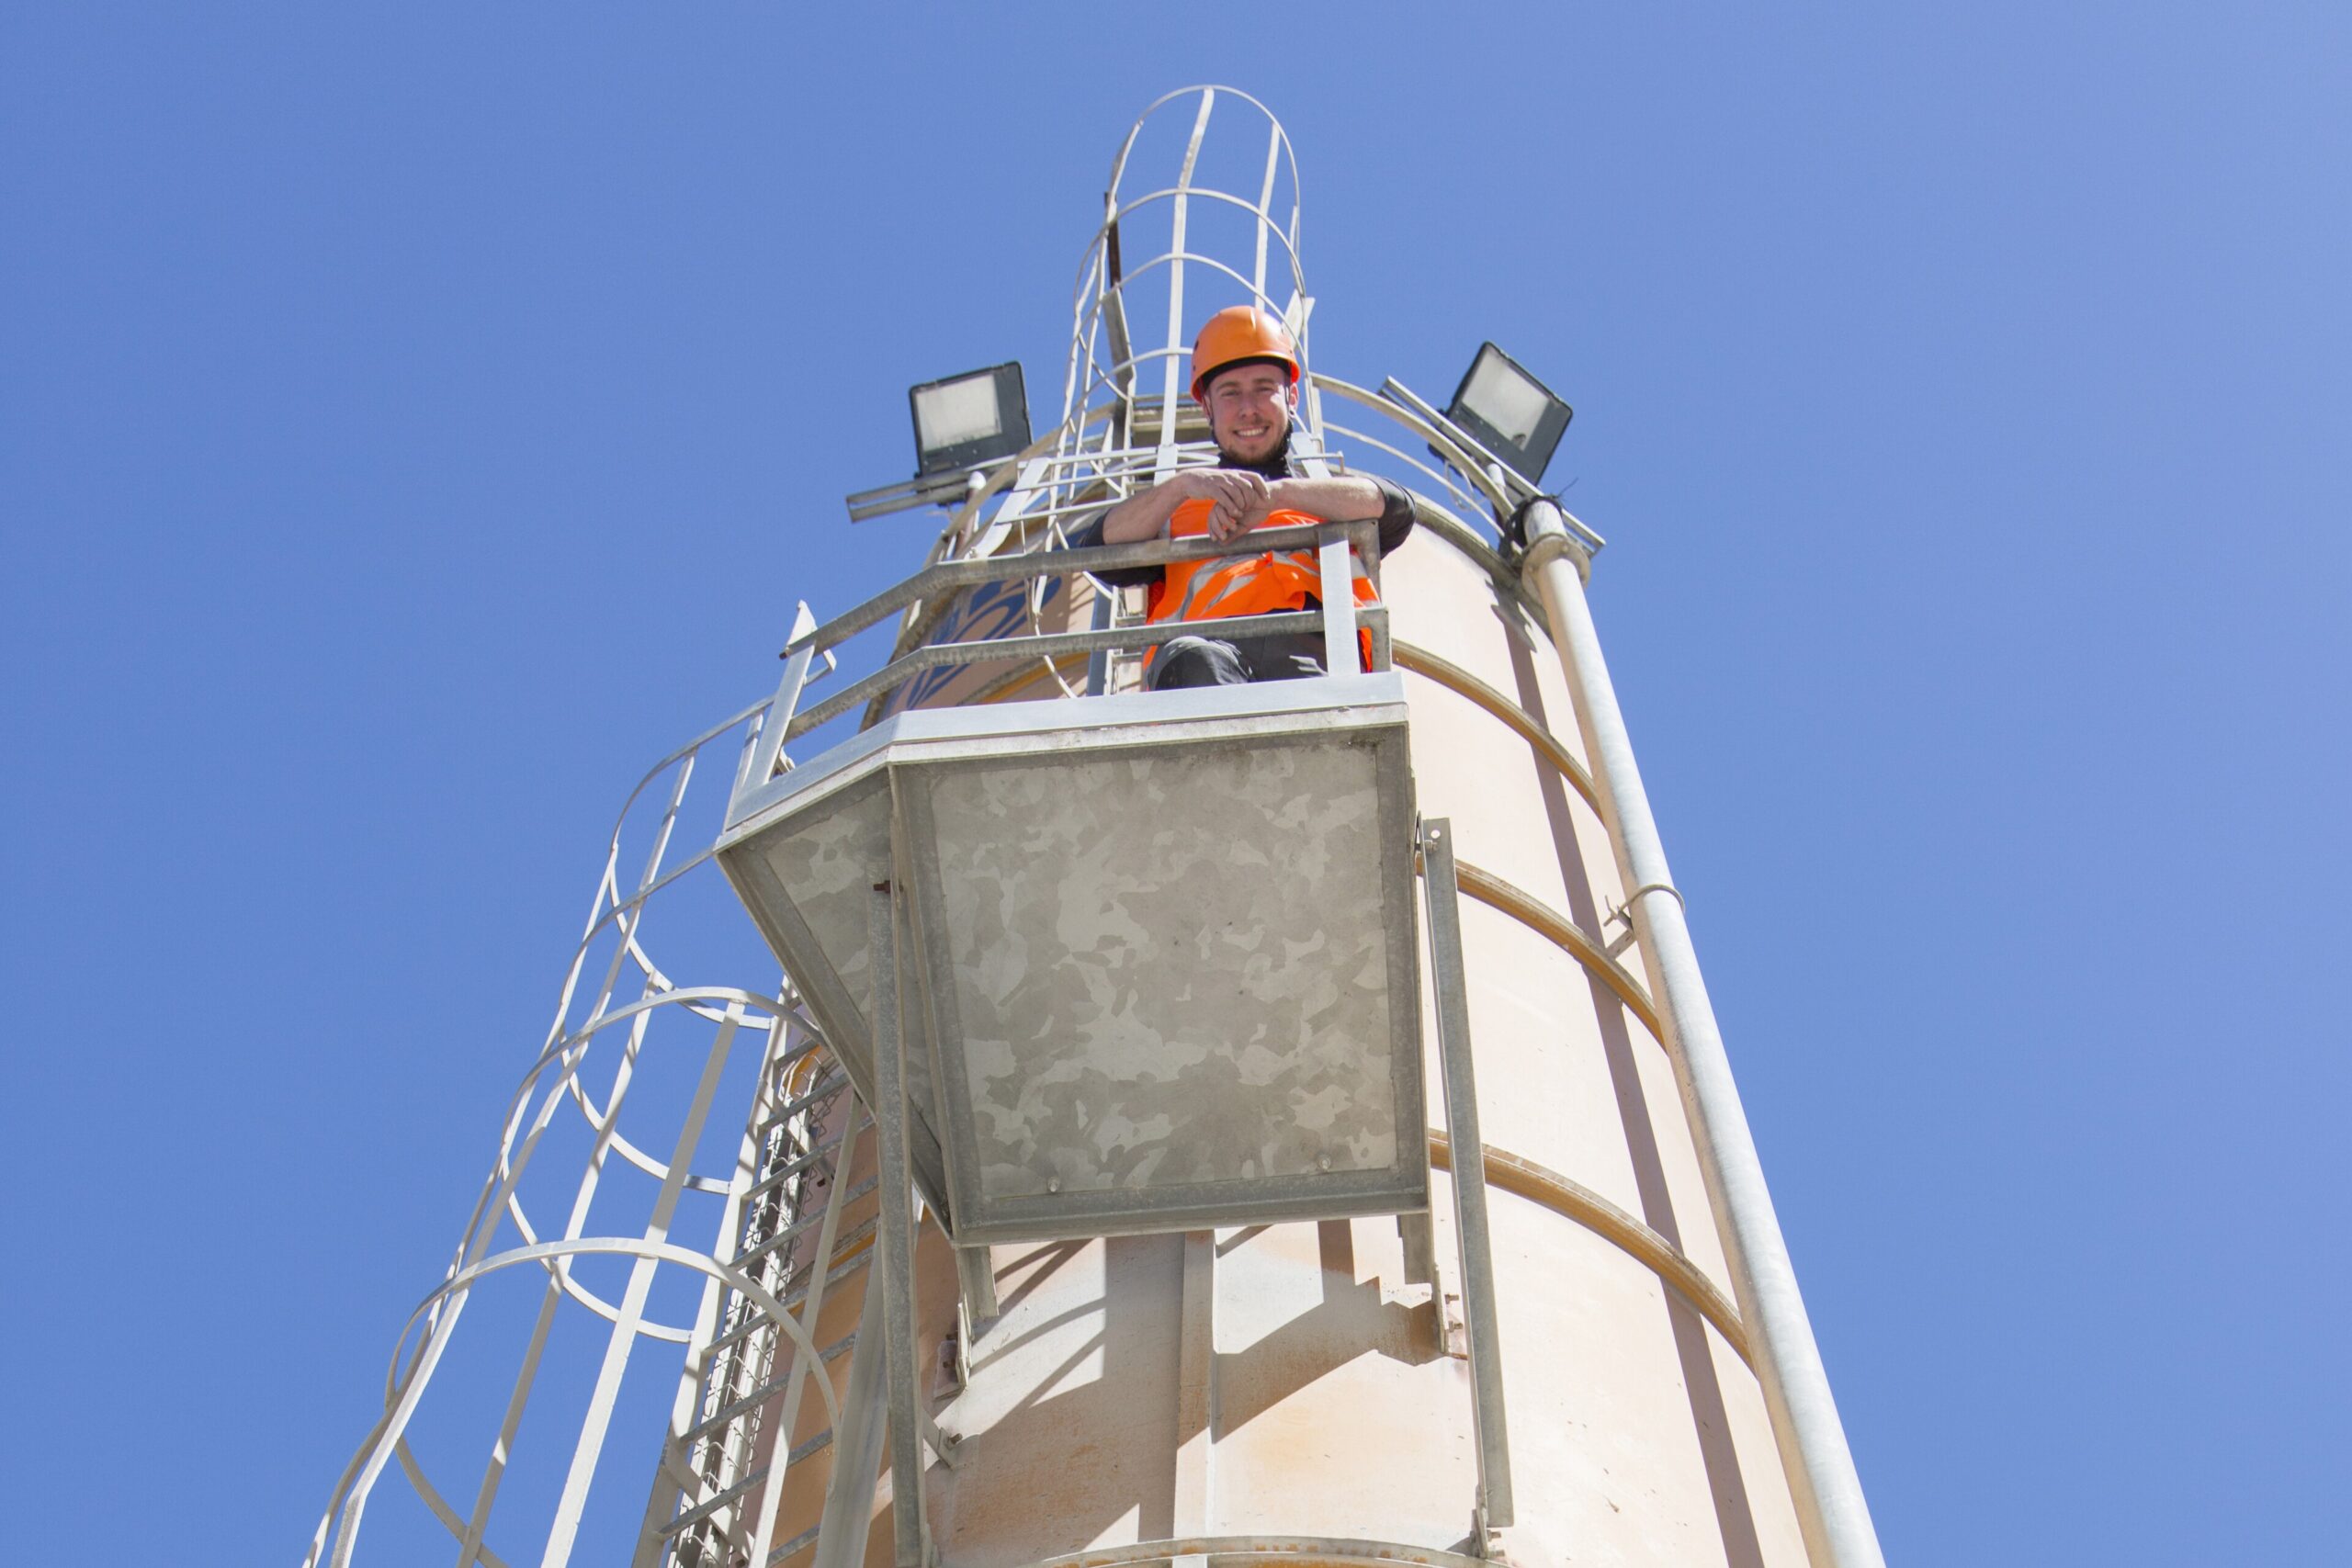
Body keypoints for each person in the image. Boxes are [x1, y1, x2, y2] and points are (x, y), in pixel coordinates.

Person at [1096, 306, 1415, 688]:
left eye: (1264, 389)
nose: (1248, 410)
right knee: (1194, 664)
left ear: (1291, 396)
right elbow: (1097, 547)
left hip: (1314, 653)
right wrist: (1181, 486)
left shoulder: (1322, 500)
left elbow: (1396, 507)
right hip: (1204, 658)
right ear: (1207, 407)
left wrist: (1277, 496)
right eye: (1230, 394)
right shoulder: (1175, 513)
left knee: (1315, 714)